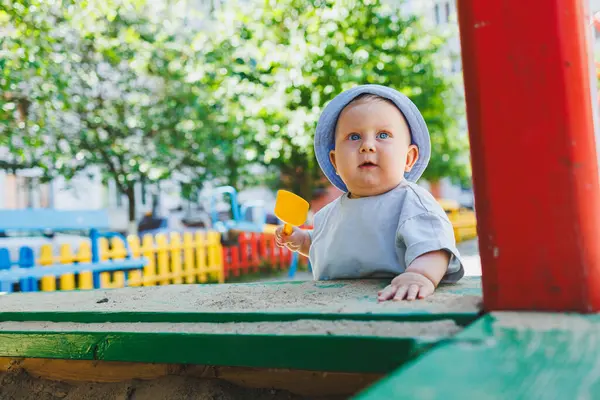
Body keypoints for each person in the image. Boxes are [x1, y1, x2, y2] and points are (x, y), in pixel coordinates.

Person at [275, 85, 464, 301]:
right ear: (335, 161)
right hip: (331, 304)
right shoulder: (329, 214)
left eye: (383, 135)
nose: (367, 146)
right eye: (354, 137)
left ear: (409, 158)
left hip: (391, 300)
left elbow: (434, 247)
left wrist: (419, 275)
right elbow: (328, 246)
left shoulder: (412, 203)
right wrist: (302, 241)